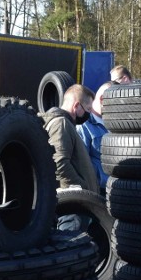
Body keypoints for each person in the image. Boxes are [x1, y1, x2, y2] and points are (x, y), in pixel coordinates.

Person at [43, 84, 99, 231]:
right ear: (76, 106)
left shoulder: (67, 124)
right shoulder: (61, 123)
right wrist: (81, 188)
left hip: (77, 203)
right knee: (70, 248)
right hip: (72, 206)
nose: (89, 114)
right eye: (87, 109)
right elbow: (58, 162)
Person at [76, 80, 111, 194]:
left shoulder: (117, 124)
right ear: (102, 99)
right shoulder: (84, 125)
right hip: (98, 191)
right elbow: (81, 164)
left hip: (120, 187)